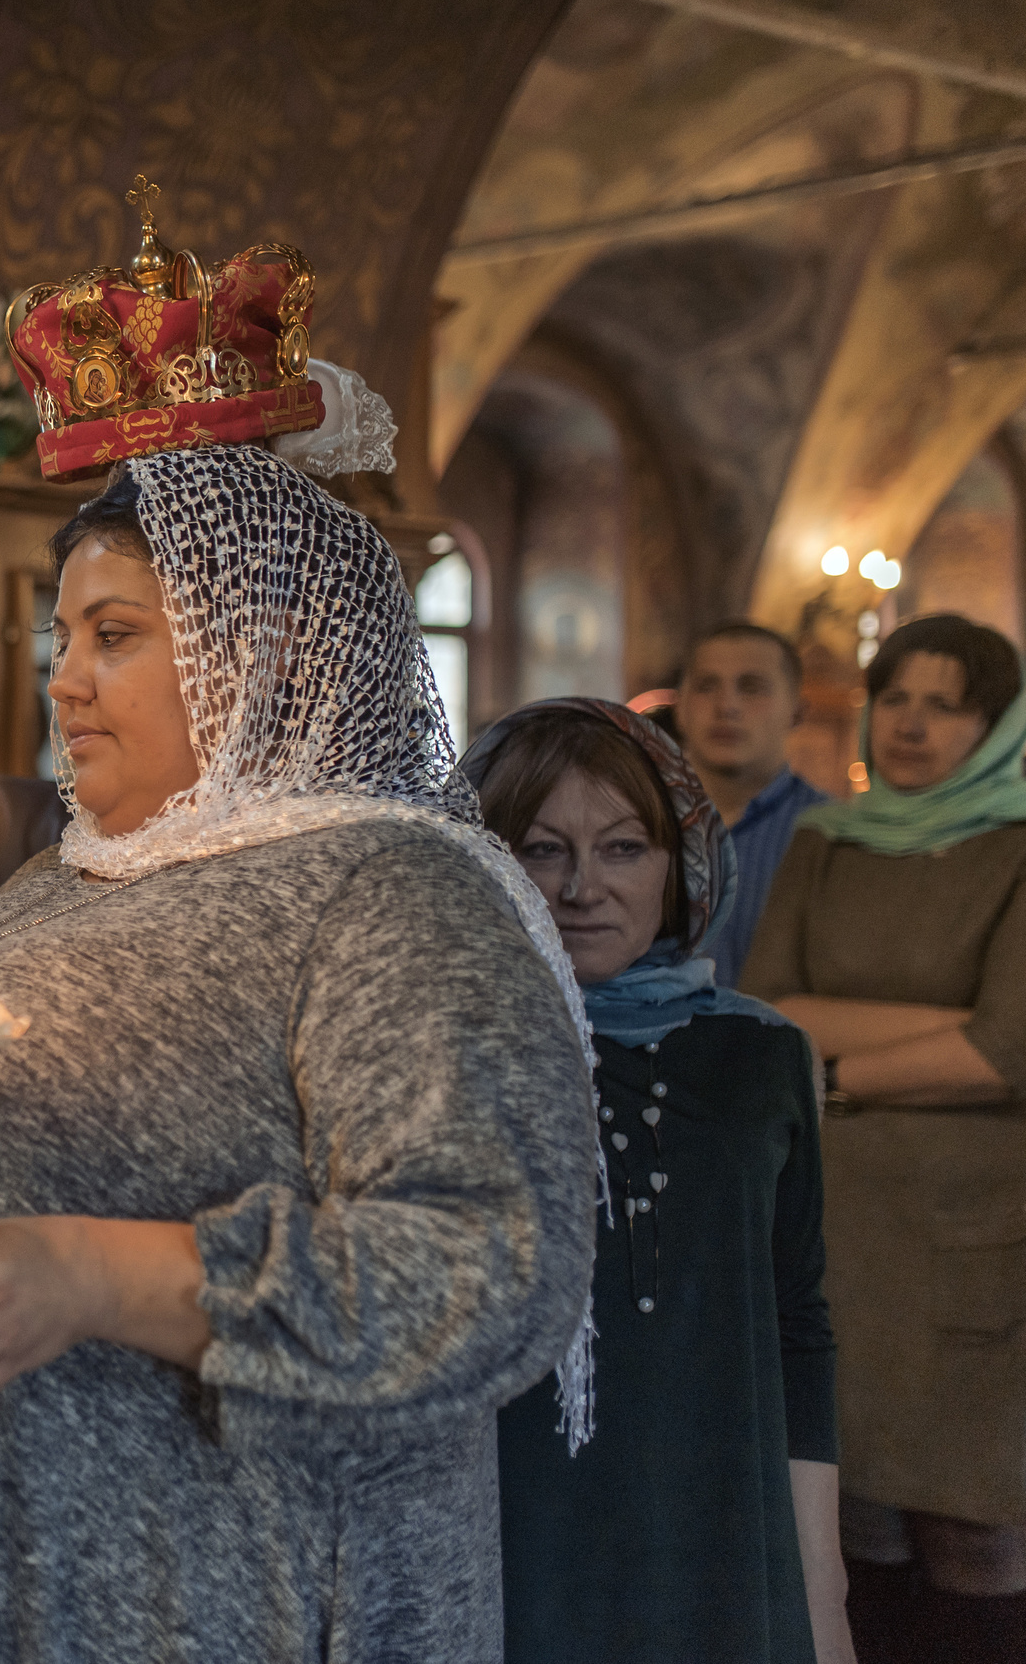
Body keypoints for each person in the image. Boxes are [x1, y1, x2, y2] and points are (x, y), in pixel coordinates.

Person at [0, 445, 596, 1663]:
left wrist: (96, 1274)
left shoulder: (386, 887)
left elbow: (489, 1262)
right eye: (58, 637)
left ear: (269, 648)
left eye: (112, 634)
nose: (62, 681)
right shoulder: (57, 879)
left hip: (133, 1593)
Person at [462, 699, 851, 1664]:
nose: (583, 886)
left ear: (679, 864)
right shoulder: (446, 1048)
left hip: (725, 1548)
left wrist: (823, 1588)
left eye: (624, 847)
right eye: (542, 849)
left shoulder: (763, 1055)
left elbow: (798, 1326)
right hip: (514, 1546)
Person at [744, 612, 1026, 1657]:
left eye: (942, 703)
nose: (908, 722)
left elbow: (1006, 1051)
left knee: (975, 1532)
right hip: (839, 1231)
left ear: (994, 725)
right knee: (848, 1529)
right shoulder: (828, 839)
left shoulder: (1016, 842)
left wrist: (836, 1068)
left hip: (976, 1243)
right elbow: (767, 1002)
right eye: (893, 696)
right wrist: (945, 1031)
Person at [673, 623, 827, 982]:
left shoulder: (826, 834)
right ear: (679, 708)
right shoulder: (629, 822)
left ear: (797, 712)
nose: (726, 706)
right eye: (706, 686)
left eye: (752, 687)